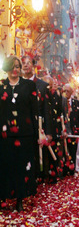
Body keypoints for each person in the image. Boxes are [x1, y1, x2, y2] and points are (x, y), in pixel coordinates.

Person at [0, 55, 38, 212]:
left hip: (25, 134)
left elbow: (34, 110)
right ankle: (4, 197)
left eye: (17, 67)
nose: (15, 70)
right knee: (5, 166)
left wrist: (37, 132)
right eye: (12, 66)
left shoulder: (29, 85)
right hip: (5, 135)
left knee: (22, 167)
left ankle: (20, 199)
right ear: (7, 68)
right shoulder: (2, 87)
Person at [21, 55, 53, 180]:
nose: (25, 65)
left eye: (28, 63)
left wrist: (49, 132)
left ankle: (36, 178)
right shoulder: (18, 83)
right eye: (23, 63)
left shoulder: (42, 86)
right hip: (23, 126)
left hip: (38, 126)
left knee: (36, 155)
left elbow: (47, 110)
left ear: (33, 66)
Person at [62, 84, 79, 174]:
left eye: (68, 91)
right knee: (64, 151)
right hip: (64, 130)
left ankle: (72, 169)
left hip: (74, 131)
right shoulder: (61, 101)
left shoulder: (76, 103)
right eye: (64, 91)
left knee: (73, 150)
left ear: (71, 92)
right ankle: (64, 170)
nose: (66, 93)